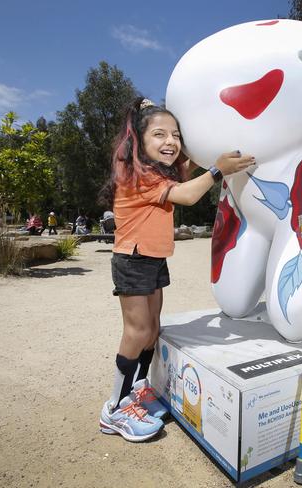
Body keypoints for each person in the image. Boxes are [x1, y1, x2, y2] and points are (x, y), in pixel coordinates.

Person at [98, 97, 254, 442]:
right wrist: (217, 170)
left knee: (152, 329)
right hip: (133, 259)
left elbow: (186, 165)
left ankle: (138, 388)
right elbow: (186, 195)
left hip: (152, 259)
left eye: (176, 134)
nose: (170, 141)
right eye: (159, 134)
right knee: (137, 332)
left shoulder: (158, 172)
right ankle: (114, 408)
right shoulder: (135, 173)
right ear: (138, 141)